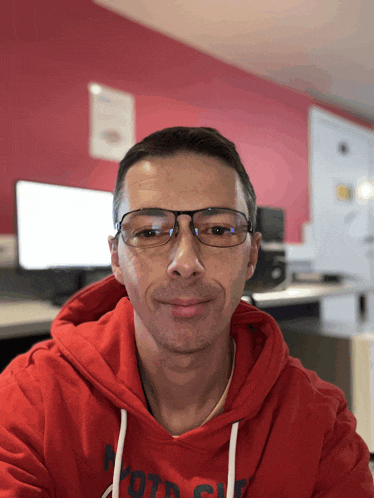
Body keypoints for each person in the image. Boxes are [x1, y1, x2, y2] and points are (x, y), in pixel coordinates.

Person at [0, 127, 373, 498]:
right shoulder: (32, 400)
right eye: (148, 232)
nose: (185, 263)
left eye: (218, 229)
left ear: (252, 256)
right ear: (116, 257)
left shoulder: (319, 426)